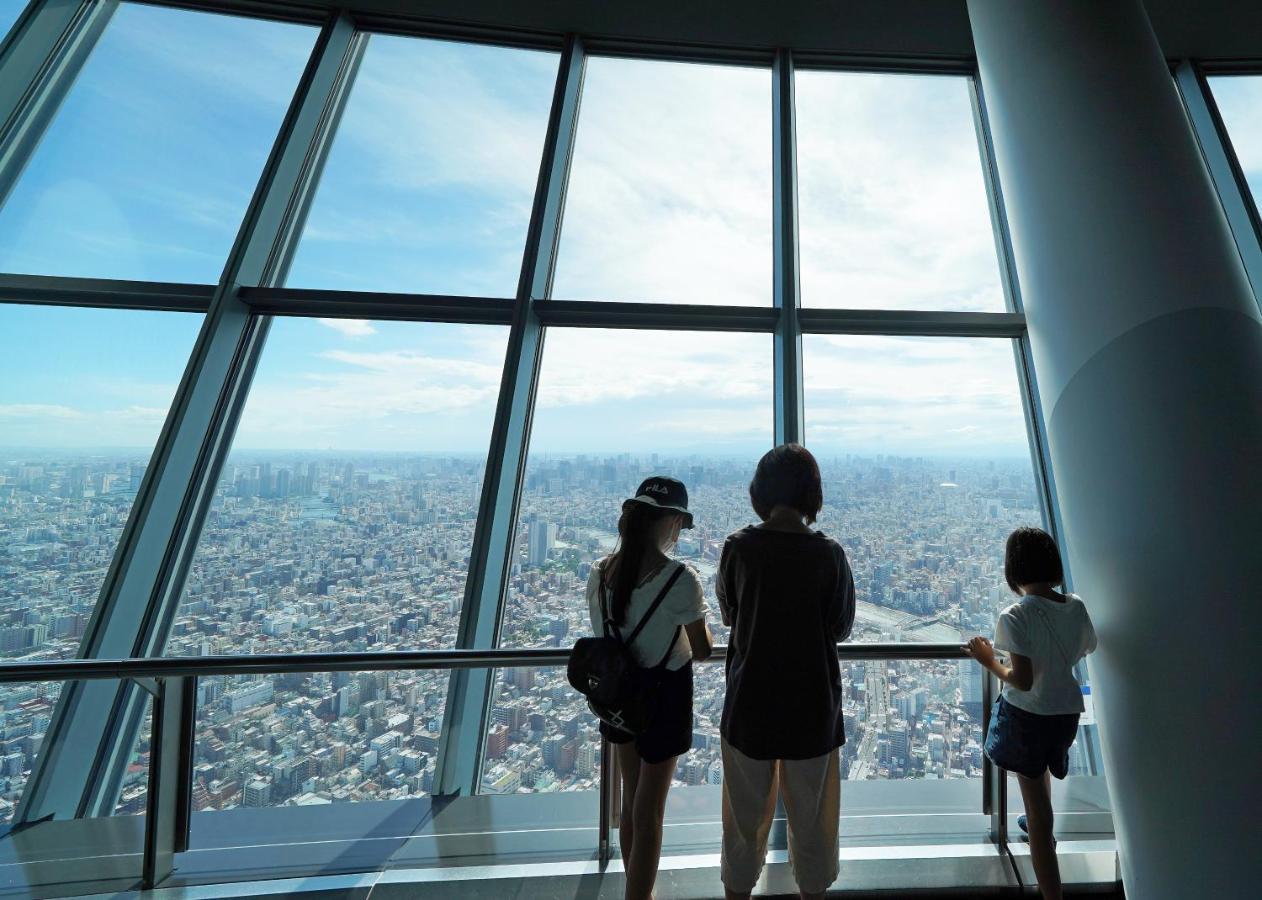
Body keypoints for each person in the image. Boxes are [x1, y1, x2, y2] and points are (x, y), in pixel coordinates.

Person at [717, 444, 855, 900]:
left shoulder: (739, 549)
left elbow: (730, 615)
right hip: (812, 708)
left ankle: (738, 893)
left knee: (743, 824)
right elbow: (840, 626)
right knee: (814, 826)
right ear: (813, 493)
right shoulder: (829, 555)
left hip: (749, 706)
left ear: (760, 490)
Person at [587, 475, 713, 900]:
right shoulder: (679, 579)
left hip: (618, 694)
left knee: (630, 801)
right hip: (665, 694)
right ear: (672, 522)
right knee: (651, 811)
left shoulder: (601, 572)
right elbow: (702, 648)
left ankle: (636, 891)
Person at [966, 527, 1097, 900]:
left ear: (1013, 570)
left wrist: (988, 659)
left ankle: (1051, 892)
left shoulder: (1014, 615)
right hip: (1065, 714)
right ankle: (1039, 826)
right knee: (1041, 780)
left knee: (1038, 812)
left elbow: (1021, 680)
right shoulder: (1075, 606)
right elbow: (1085, 647)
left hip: (1029, 717)